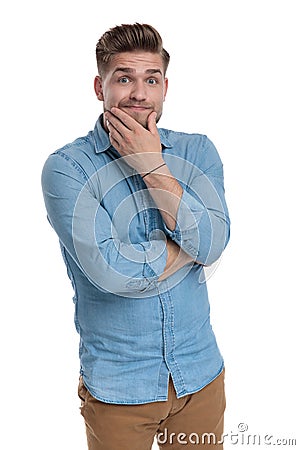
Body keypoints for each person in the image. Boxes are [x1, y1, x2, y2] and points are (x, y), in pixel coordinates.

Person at [41, 23, 230, 450]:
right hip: (118, 392)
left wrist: (152, 166)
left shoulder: (197, 152)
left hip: (200, 379)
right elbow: (116, 271)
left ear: (165, 87)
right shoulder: (67, 168)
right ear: (99, 86)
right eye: (124, 78)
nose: (139, 93)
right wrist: (188, 246)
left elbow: (215, 244)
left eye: (151, 80)